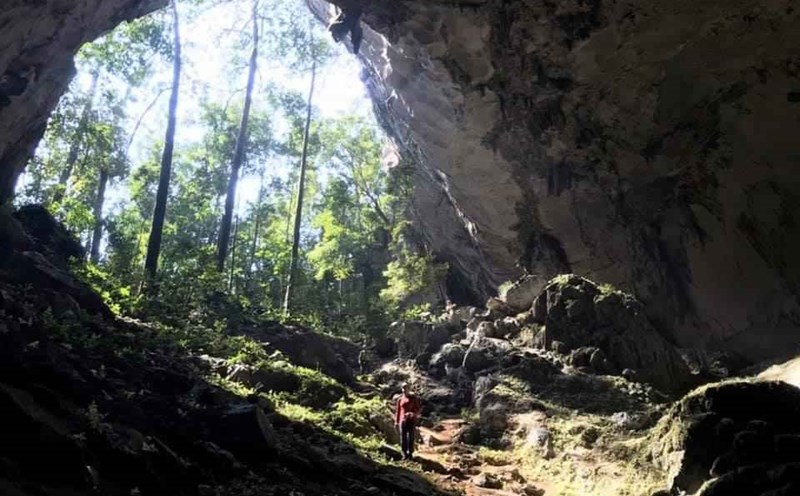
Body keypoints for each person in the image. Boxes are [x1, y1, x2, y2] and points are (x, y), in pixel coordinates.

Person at [395, 382, 422, 460]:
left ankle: (410, 453)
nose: (404, 390)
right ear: (402, 389)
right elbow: (398, 411)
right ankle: (404, 453)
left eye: (406, 388)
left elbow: (418, 409)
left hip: (411, 420)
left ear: (409, 389)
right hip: (402, 421)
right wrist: (396, 422)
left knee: (411, 437)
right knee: (403, 437)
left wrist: (412, 413)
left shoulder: (413, 398)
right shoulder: (400, 399)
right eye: (403, 388)